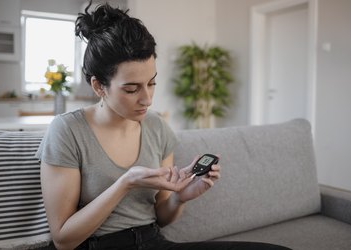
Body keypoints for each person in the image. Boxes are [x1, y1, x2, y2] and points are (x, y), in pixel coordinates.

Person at [36, 2, 291, 250]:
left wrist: (181, 196)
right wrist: (126, 182)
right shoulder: (67, 130)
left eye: (152, 83)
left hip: (153, 242)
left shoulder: (156, 126)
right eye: (131, 88)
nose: (147, 99)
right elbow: (64, 240)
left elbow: (162, 217)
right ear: (99, 86)